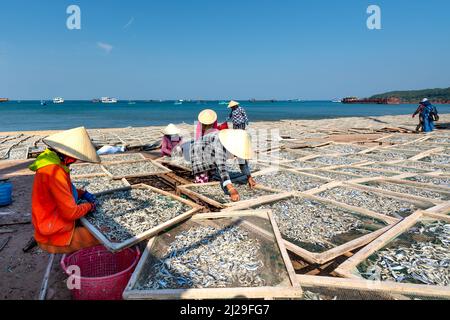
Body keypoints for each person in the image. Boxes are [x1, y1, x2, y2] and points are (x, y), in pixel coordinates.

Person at [29, 127, 101, 254]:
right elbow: (71, 213)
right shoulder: (54, 171)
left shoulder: (50, 161)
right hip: (53, 235)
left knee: (95, 227)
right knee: (103, 236)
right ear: (68, 154)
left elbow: (62, 191)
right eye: (75, 157)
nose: (75, 160)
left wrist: (82, 193)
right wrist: (89, 206)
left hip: (47, 225)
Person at [190, 129, 257, 202]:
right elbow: (222, 168)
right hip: (198, 151)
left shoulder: (238, 143)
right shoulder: (220, 144)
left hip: (211, 150)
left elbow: (242, 161)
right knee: (203, 180)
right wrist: (231, 189)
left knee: (213, 173)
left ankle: (211, 172)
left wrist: (249, 177)